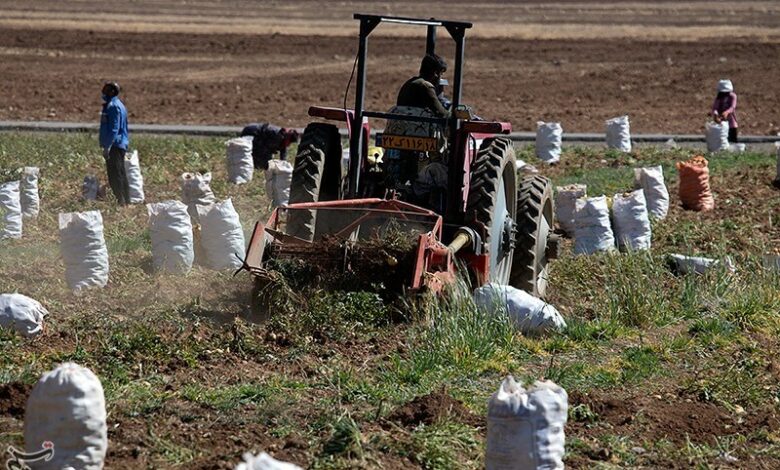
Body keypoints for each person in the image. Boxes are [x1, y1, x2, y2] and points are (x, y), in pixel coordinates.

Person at [99, 81, 130, 205]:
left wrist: (107, 146)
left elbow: (114, 128)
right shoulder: (118, 105)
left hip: (115, 145)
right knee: (120, 173)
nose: (103, 92)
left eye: (106, 90)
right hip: (119, 144)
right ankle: (126, 201)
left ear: (112, 92)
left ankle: (121, 201)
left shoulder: (113, 106)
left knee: (115, 175)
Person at [396, 53, 450, 118]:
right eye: (441, 74)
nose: (441, 78)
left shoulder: (410, 82)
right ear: (435, 73)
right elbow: (441, 113)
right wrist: (455, 117)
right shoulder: (425, 86)